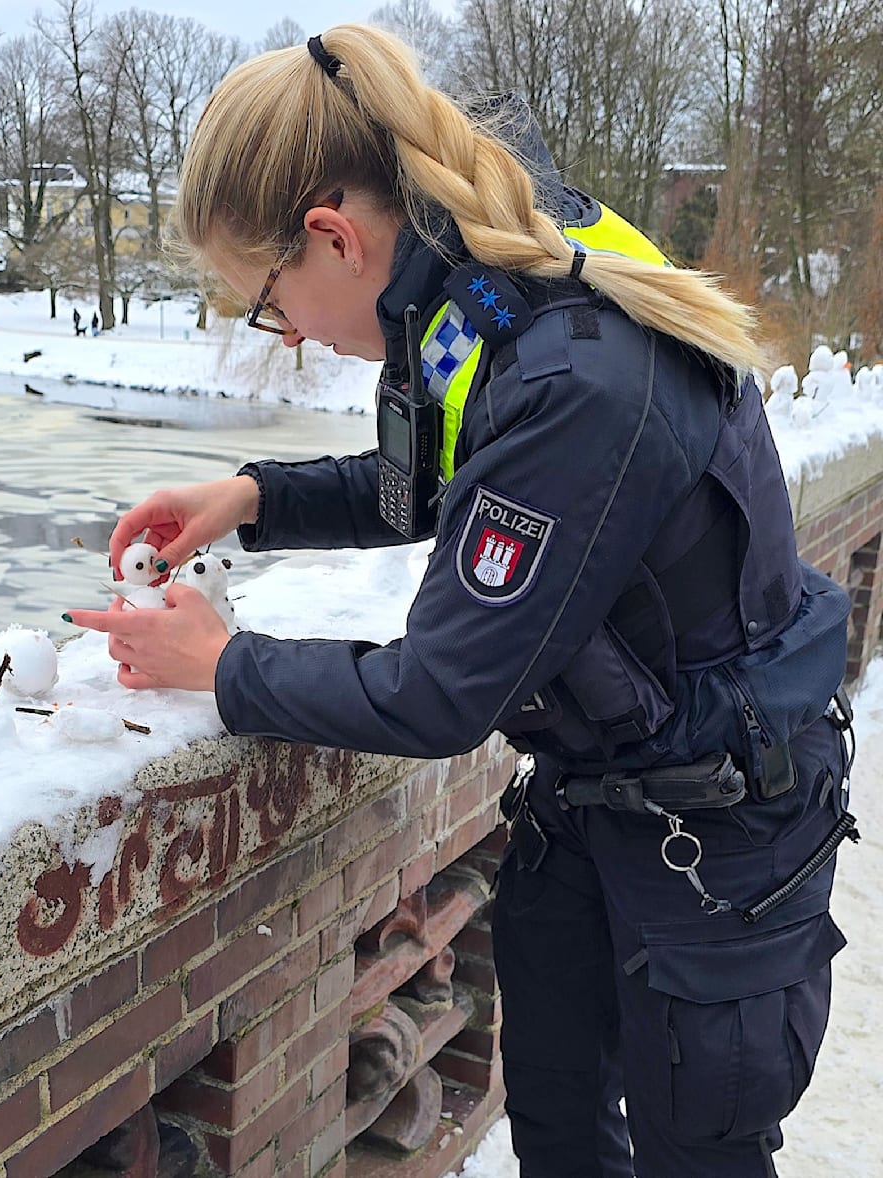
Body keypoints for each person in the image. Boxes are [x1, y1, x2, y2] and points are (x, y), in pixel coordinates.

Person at [67, 25, 857, 1178]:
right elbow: (444, 483)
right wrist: (248, 496)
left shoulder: (577, 369)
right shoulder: (487, 277)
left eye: (267, 306)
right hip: (602, 794)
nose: (287, 336)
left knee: (698, 1154)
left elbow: (436, 691)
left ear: (330, 237)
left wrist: (221, 664)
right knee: (553, 1125)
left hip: (715, 841)